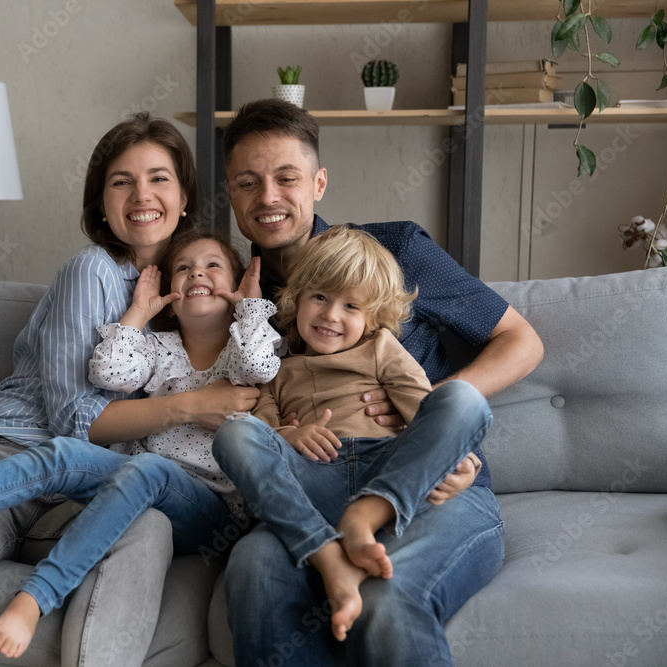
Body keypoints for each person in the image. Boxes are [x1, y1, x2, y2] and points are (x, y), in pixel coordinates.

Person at [0, 114, 262, 667]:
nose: (142, 194)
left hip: (99, 482)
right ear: (101, 203)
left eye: (159, 178)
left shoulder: (193, 289)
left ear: (185, 195)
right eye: (122, 181)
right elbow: (77, 419)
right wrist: (192, 406)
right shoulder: (93, 270)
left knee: (147, 524)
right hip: (6, 450)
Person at [217, 98, 545, 665]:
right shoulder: (235, 297)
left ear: (319, 182)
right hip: (308, 493)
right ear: (231, 195)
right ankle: (330, 555)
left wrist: (431, 424)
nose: (268, 197)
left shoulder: (394, 252)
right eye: (248, 183)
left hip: (434, 493)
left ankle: (370, 520)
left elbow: (522, 341)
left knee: (388, 599)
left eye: (286, 178)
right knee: (251, 568)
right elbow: (236, 411)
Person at [212, 224, 494, 643]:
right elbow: (263, 435)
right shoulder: (276, 369)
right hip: (313, 484)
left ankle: (368, 514)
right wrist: (291, 435)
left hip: (388, 465)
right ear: (297, 299)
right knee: (233, 434)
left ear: (374, 318)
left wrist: (454, 458)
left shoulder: (381, 349)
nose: (330, 315)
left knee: (462, 399)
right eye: (320, 298)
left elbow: (426, 412)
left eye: (351, 306)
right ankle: (327, 554)